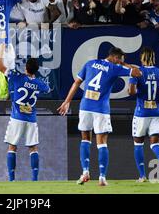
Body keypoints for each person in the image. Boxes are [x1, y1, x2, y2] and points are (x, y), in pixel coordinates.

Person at [57, 47, 142, 186]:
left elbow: (76, 83)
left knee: (85, 139)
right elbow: (137, 72)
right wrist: (123, 65)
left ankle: (85, 172)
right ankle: (102, 177)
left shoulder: (90, 63)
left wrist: (67, 101)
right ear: (115, 58)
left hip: (85, 107)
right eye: (120, 59)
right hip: (101, 109)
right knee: (101, 142)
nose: (120, 62)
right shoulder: (114, 68)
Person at [0, 43, 50, 182]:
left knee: (12, 146)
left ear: (26, 68)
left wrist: (1, 50)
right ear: (36, 70)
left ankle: (12, 179)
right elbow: (47, 89)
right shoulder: (39, 83)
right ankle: (34, 179)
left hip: (17, 117)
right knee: (33, 148)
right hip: (31, 119)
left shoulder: (17, 77)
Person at [128, 47, 159, 182]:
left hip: (142, 113)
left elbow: (131, 92)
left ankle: (142, 176)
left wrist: (136, 87)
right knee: (154, 143)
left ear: (142, 58)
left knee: (138, 143)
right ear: (153, 58)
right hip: (157, 113)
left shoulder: (137, 72)